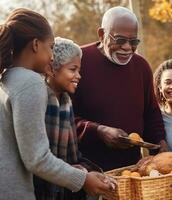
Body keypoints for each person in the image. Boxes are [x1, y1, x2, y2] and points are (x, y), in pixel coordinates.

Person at [0, 9, 115, 200]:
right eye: (51, 47)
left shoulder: (6, 78)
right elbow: (37, 159)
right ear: (36, 45)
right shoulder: (30, 82)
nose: (53, 56)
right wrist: (83, 179)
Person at [72, 6, 167, 171]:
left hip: (132, 169)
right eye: (120, 40)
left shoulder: (141, 66)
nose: (127, 47)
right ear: (102, 35)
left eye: (134, 42)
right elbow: (65, 117)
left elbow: (151, 114)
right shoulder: (79, 61)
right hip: (88, 170)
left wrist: (160, 143)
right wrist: (99, 131)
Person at [33, 37, 116, 200]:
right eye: (72, 69)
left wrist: (90, 173)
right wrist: (83, 177)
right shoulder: (39, 102)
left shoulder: (66, 103)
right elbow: (40, 159)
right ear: (51, 69)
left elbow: (73, 157)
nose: (78, 76)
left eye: (79, 70)